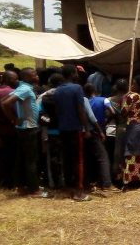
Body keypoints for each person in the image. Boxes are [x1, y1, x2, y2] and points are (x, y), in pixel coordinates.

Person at [1, 68, 49, 198]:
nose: (37, 76)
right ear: (28, 77)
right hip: (29, 128)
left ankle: (21, 186)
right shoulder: (25, 89)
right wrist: (13, 118)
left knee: (21, 159)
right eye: (35, 74)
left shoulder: (23, 87)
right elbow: (5, 103)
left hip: (23, 127)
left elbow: (3, 101)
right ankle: (34, 190)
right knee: (31, 160)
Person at [53, 64, 91, 201]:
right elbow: (80, 110)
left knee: (67, 159)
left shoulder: (57, 91)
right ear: (72, 74)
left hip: (63, 129)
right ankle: (79, 191)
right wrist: (86, 128)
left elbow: (57, 111)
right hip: (75, 128)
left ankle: (67, 188)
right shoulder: (77, 88)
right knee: (78, 160)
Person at [0, 70, 19, 188]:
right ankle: (10, 182)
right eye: (14, 79)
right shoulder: (13, 93)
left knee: (0, 157)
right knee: (12, 156)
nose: (16, 81)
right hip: (11, 129)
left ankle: (1, 180)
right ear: (8, 80)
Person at [105, 79, 129, 181]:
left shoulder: (110, 100)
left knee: (117, 153)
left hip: (118, 127)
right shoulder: (131, 99)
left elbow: (108, 115)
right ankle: (127, 175)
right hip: (129, 127)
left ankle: (116, 176)